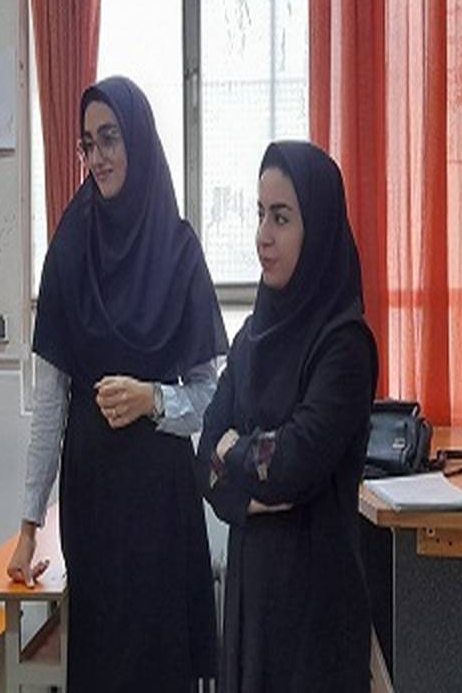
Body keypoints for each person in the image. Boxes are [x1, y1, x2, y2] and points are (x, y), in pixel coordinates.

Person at [7, 76, 228, 690]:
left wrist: (153, 399)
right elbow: (50, 402)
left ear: (139, 142)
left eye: (110, 139)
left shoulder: (178, 251)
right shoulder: (69, 249)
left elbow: (211, 400)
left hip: (161, 502)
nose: (97, 157)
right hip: (93, 499)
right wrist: (27, 529)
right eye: (88, 143)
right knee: (102, 665)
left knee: (160, 665)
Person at [197, 142, 379, 692]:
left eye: (281, 217)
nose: (262, 236)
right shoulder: (251, 337)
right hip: (251, 602)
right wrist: (253, 484)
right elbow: (204, 458)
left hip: (315, 609)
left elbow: (295, 462)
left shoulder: (344, 345)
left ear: (316, 229)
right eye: (259, 214)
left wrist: (235, 451)